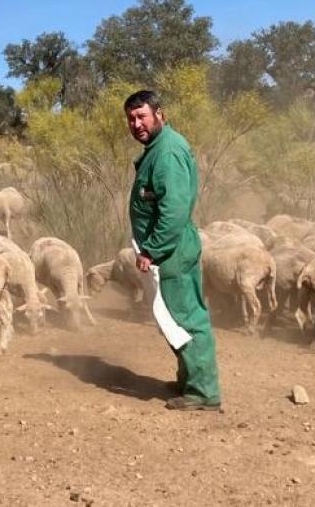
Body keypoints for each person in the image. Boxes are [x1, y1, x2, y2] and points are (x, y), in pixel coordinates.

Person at [125, 89, 222, 412]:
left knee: (187, 317)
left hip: (173, 249)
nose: (136, 123)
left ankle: (204, 392)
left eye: (142, 116)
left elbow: (174, 209)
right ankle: (189, 380)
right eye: (131, 118)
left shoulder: (167, 152)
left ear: (159, 114)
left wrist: (151, 248)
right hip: (171, 248)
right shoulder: (158, 148)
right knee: (174, 316)